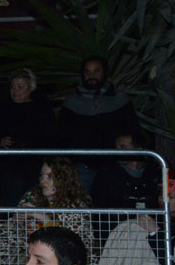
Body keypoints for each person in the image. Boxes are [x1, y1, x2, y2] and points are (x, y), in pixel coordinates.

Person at [0, 157, 97, 265]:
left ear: (63, 180)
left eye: (50, 177)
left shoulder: (75, 205)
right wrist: (18, 223)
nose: (43, 180)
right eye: (42, 175)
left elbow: (70, 244)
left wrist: (44, 218)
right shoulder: (32, 197)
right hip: (33, 258)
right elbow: (11, 234)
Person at [56, 57, 138, 192]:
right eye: (87, 72)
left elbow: (132, 131)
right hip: (83, 166)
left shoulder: (119, 99)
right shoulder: (72, 101)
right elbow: (62, 136)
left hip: (115, 165)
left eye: (96, 71)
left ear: (105, 73)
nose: (91, 76)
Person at [0, 69, 55, 207]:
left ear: (31, 87)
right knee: (12, 206)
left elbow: (49, 136)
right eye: (13, 87)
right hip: (10, 169)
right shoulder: (2, 108)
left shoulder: (42, 109)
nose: (15, 91)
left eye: (20, 87)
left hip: (34, 167)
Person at [89, 131, 160, 211]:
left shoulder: (154, 174)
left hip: (149, 221)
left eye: (122, 147)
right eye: (116, 147)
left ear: (139, 149)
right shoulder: (108, 174)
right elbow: (98, 205)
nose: (117, 151)